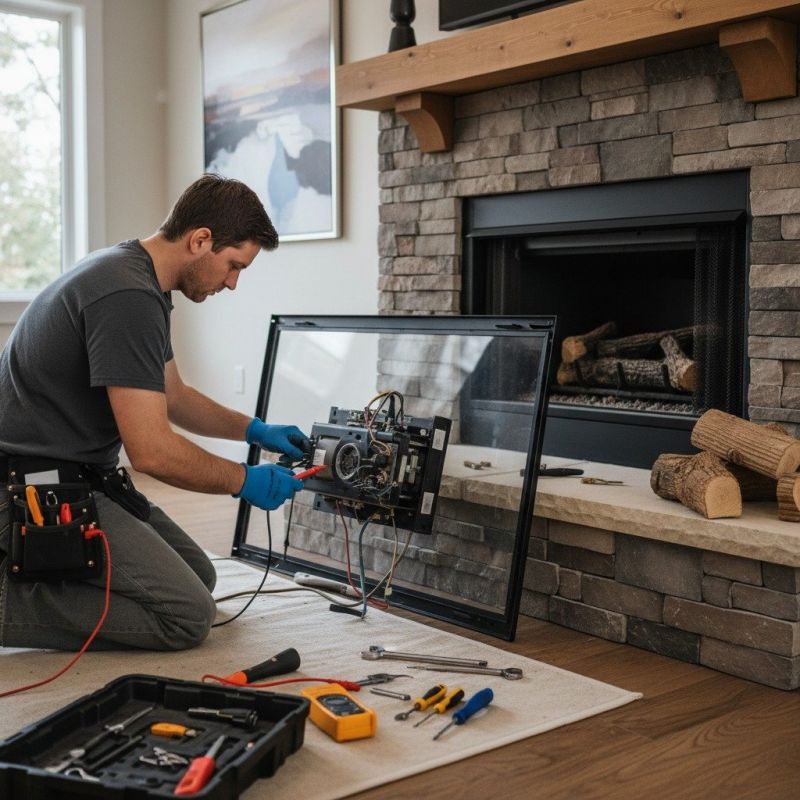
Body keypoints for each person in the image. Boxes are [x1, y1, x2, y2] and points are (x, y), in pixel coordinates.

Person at [0, 174, 309, 651]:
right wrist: (243, 480)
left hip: (77, 473)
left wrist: (255, 430)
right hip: (28, 486)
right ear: (200, 239)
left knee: (199, 576)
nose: (232, 283)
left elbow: (174, 395)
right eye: (233, 266)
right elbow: (152, 453)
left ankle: (49, 568)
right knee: (185, 616)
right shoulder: (127, 297)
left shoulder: (135, 276)